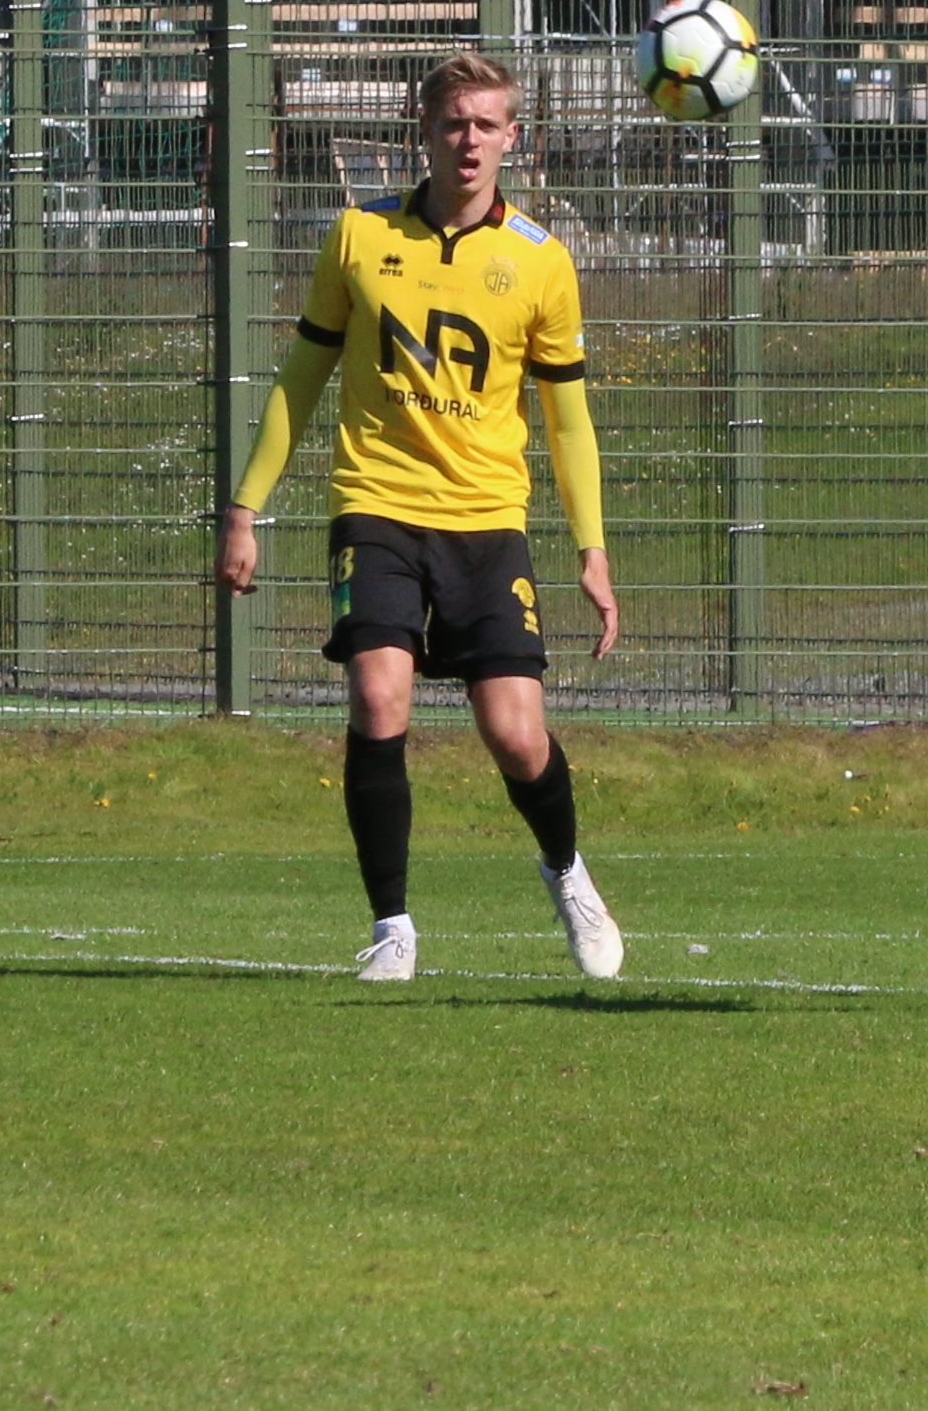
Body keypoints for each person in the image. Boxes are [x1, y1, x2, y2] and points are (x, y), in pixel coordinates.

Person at [217, 53, 625, 983]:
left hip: (487, 518)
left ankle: (566, 870)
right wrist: (245, 510)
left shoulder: (541, 261)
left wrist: (592, 550)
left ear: (513, 137)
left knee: (516, 735)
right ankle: (393, 927)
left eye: (486, 125)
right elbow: (300, 379)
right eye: (453, 123)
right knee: (377, 698)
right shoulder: (360, 236)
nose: (468, 141)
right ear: (424, 133)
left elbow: (568, 422)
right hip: (378, 504)